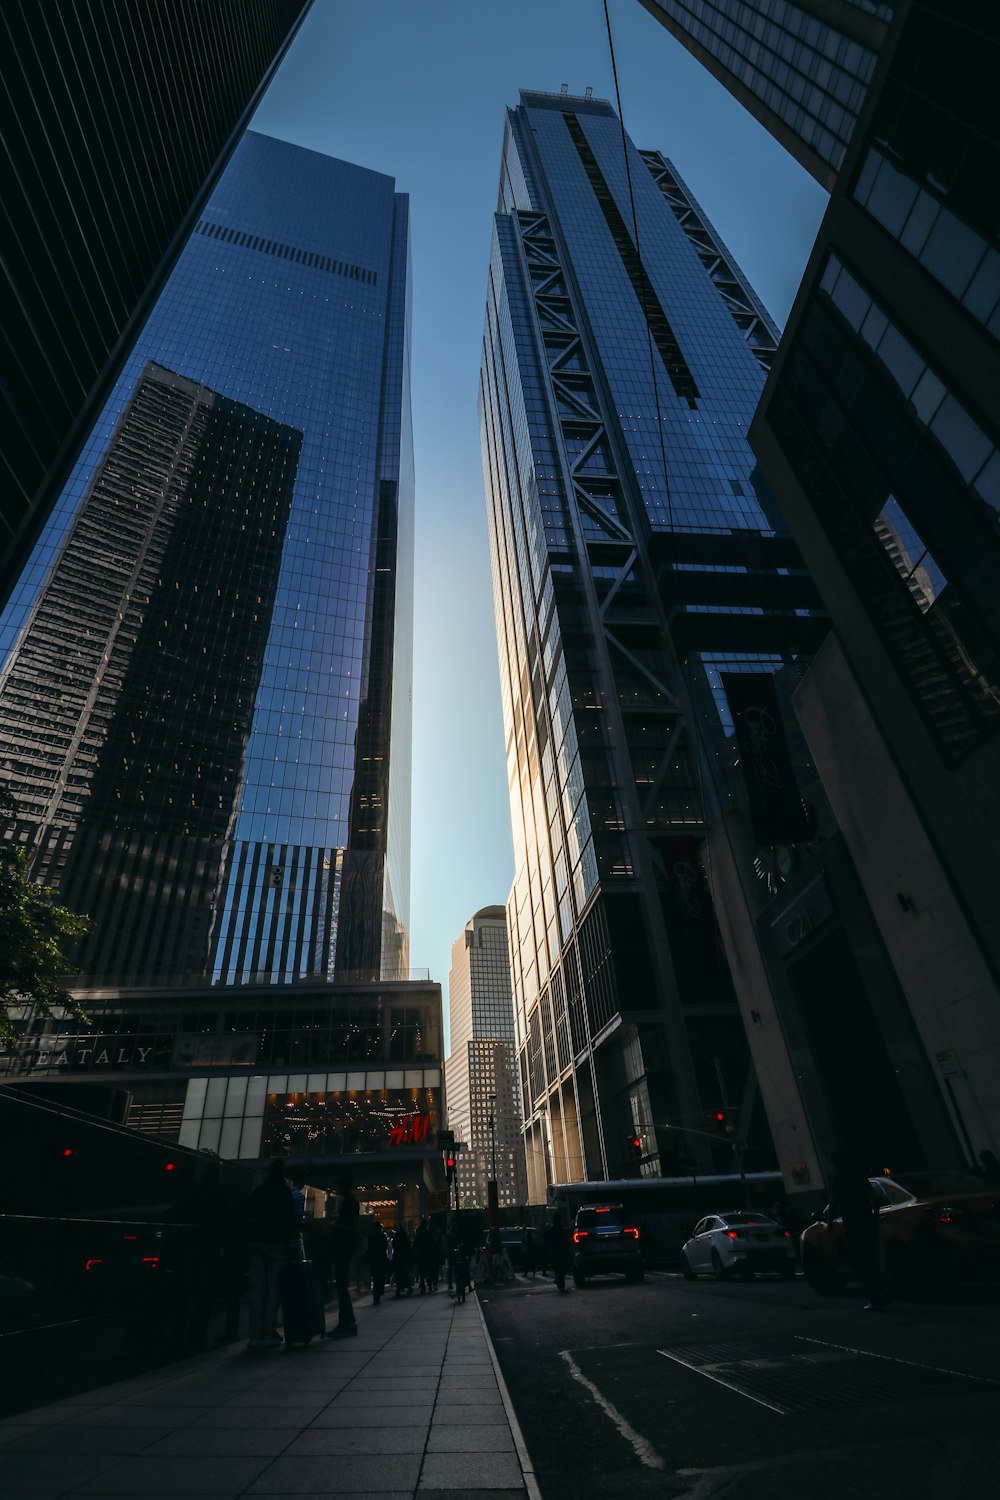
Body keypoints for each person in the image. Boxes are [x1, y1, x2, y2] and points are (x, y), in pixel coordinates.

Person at [245, 1159, 297, 1350]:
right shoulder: (284, 1193)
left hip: (257, 1241)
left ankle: (254, 1333)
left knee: (257, 1287)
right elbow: (290, 1220)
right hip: (276, 1244)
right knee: (274, 1287)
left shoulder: (259, 1191)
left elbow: (247, 1213)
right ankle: (269, 1330)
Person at [827, 1149, 888, 1309]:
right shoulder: (859, 1175)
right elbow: (873, 1196)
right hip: (867, 1220)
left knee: (861, 1260)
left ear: (836, 1163)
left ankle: (875, 1297)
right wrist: (875, 1214)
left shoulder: (839, 1178)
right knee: (870, 1257)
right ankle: (881, 1288)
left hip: (853, 1223)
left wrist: (829, 1221)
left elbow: (833, 1201)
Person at [328, 1172, 360, 1337]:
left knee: (341, 1286)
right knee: (341, 1286)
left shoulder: (350, 1203)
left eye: (341, 1185)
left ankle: (346, 1323)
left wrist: (336, 1227)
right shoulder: (349, 1202)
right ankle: (347, 1322)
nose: (338, 1188)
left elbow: (352, 1227)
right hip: (345, 1247)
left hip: (343, 1247)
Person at [546, 1219, 571, 1293]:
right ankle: (560, 1284)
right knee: (563, 1268)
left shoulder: (552, 1230)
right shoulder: (560, 1229)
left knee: (558, 1269)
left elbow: (548, 1239)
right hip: (560, 1252)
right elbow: (565, 1241)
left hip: (554, 1252)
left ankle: (560, 1286)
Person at [367, 1220, 388, 1305]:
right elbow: (384, 1247)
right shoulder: (382, 1236)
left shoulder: (372, 1236)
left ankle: (377, 1294)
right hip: (380, 1259)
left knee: (376, 1277)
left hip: (375, 1260)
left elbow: (370, 1248)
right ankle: (378, 1293)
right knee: (379, 1277)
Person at [392, 1225, 414, 1297]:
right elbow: (408, 1249)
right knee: (404, 1274)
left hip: (398, 1259)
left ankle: (399, 1289)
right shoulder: (406, 1239)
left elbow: (395, 1248)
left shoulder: (396, 1239)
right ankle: (408, 1287)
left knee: (399, 1274)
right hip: (404, 1259)